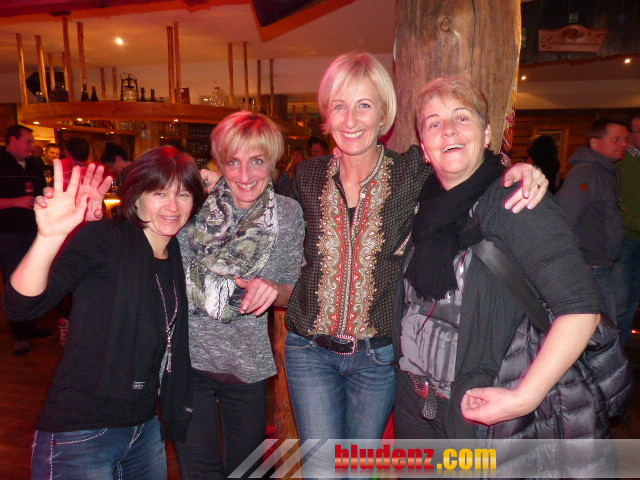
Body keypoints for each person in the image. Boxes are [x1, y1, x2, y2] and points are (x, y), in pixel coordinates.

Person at [281, 53, 548, 444]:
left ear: (384, 115)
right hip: (309, 351)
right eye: (339, 106)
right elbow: (261, 209)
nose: (350, 120)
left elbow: (468, 168)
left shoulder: (411, 172)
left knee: (358, 466)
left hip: (377, 359)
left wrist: (518, 169)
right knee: (322, 467)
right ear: (327, 115)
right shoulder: (305, 176)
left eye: (364, 105)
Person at [395, 77, 601, 440]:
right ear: (424, 148)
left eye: (462, 118)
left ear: (487, 133)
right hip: (413, 401)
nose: (448, 130)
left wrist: (523, 398)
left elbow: (581, 308)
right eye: (434, 123)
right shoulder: (422, 203)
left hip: (478, 409)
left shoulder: (517, 202)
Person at [3, 146, 206, 479]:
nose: (173, 206)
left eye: (183, 194)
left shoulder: (177, 255)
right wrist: (50, 237)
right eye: (159, 193)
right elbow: (21, 305)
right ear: (136, 198)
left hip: (144, 428)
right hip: (80, 431)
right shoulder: (105, 239)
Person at [174, 111, 304, 479]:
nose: (245, 175)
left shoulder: (288, 215)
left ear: (272, 162)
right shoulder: (192, 204)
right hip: (187, 363)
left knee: (246, 473)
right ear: (220, 163)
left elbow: (290, 291)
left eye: (256, 161)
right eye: (233, 162)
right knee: (199, 473)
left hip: (246, 367)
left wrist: (273, 289)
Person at [556, 118, 628, 322]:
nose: (623, 144)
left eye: (625, 140)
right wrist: (575, 260)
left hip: (600, 264)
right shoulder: (587, 172)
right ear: (595, 143)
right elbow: (564, 216)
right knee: (602, 331)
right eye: (615, 139)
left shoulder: (604, 173)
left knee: (603, 328)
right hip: (590, 267)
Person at [0, 124, 49, 355]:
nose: (32, 146)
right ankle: (19, 334)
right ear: (12, 140)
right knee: (14, 282)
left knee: (34, 279)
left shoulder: (34, 164)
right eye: (28, 141)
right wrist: (16, 202)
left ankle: (29, 326)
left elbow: (43, 192)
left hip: (33, 231)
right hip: (7, 233)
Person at [613, 112, 640, 348]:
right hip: (625, 240)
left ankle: (622, 350)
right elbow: (616, 206)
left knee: (633, 300)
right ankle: (613, 354)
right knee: (619, 302)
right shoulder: (619, 162)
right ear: (630, 135)